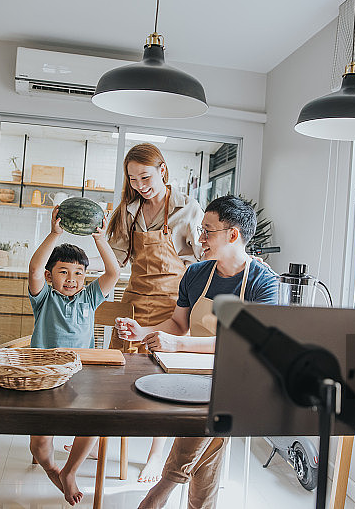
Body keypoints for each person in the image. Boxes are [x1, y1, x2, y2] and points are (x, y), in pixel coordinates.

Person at [116, 195, 278, 509]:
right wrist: (145, 332)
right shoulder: (196, 274)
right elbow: (178, 323)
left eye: (208, 230)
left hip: (242, 379)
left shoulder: (262, 282)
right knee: (211, 438)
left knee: (216, 409)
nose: (199, 237)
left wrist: (180, 344)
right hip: (197, 375)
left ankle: (161, 490)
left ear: (233, 235)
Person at [104, 142, 204, 482]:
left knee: (162, 380)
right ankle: (97, 437)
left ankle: (155, 454)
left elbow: (205, 260)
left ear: (162, 170)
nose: (140, 186)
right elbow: (116, 262)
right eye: (133, 179)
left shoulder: (188, 210)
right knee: (116, 370)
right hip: (134, 298)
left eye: (145, 177)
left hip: (172, 304)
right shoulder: (128, 211)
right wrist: (99, 239)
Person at [27, 206, 119, 506]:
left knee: (94, 425)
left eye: (79, 273)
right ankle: (54, 468)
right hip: (45, 376)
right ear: (49, 276)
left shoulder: (89, 297)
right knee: (39, 446)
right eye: (63, 271)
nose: (72, 278)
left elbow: (113, 272)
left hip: (82, 376)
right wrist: (55, 234)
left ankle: (70, 471)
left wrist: (100, 239)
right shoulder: (44, 298)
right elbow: (33, 269)